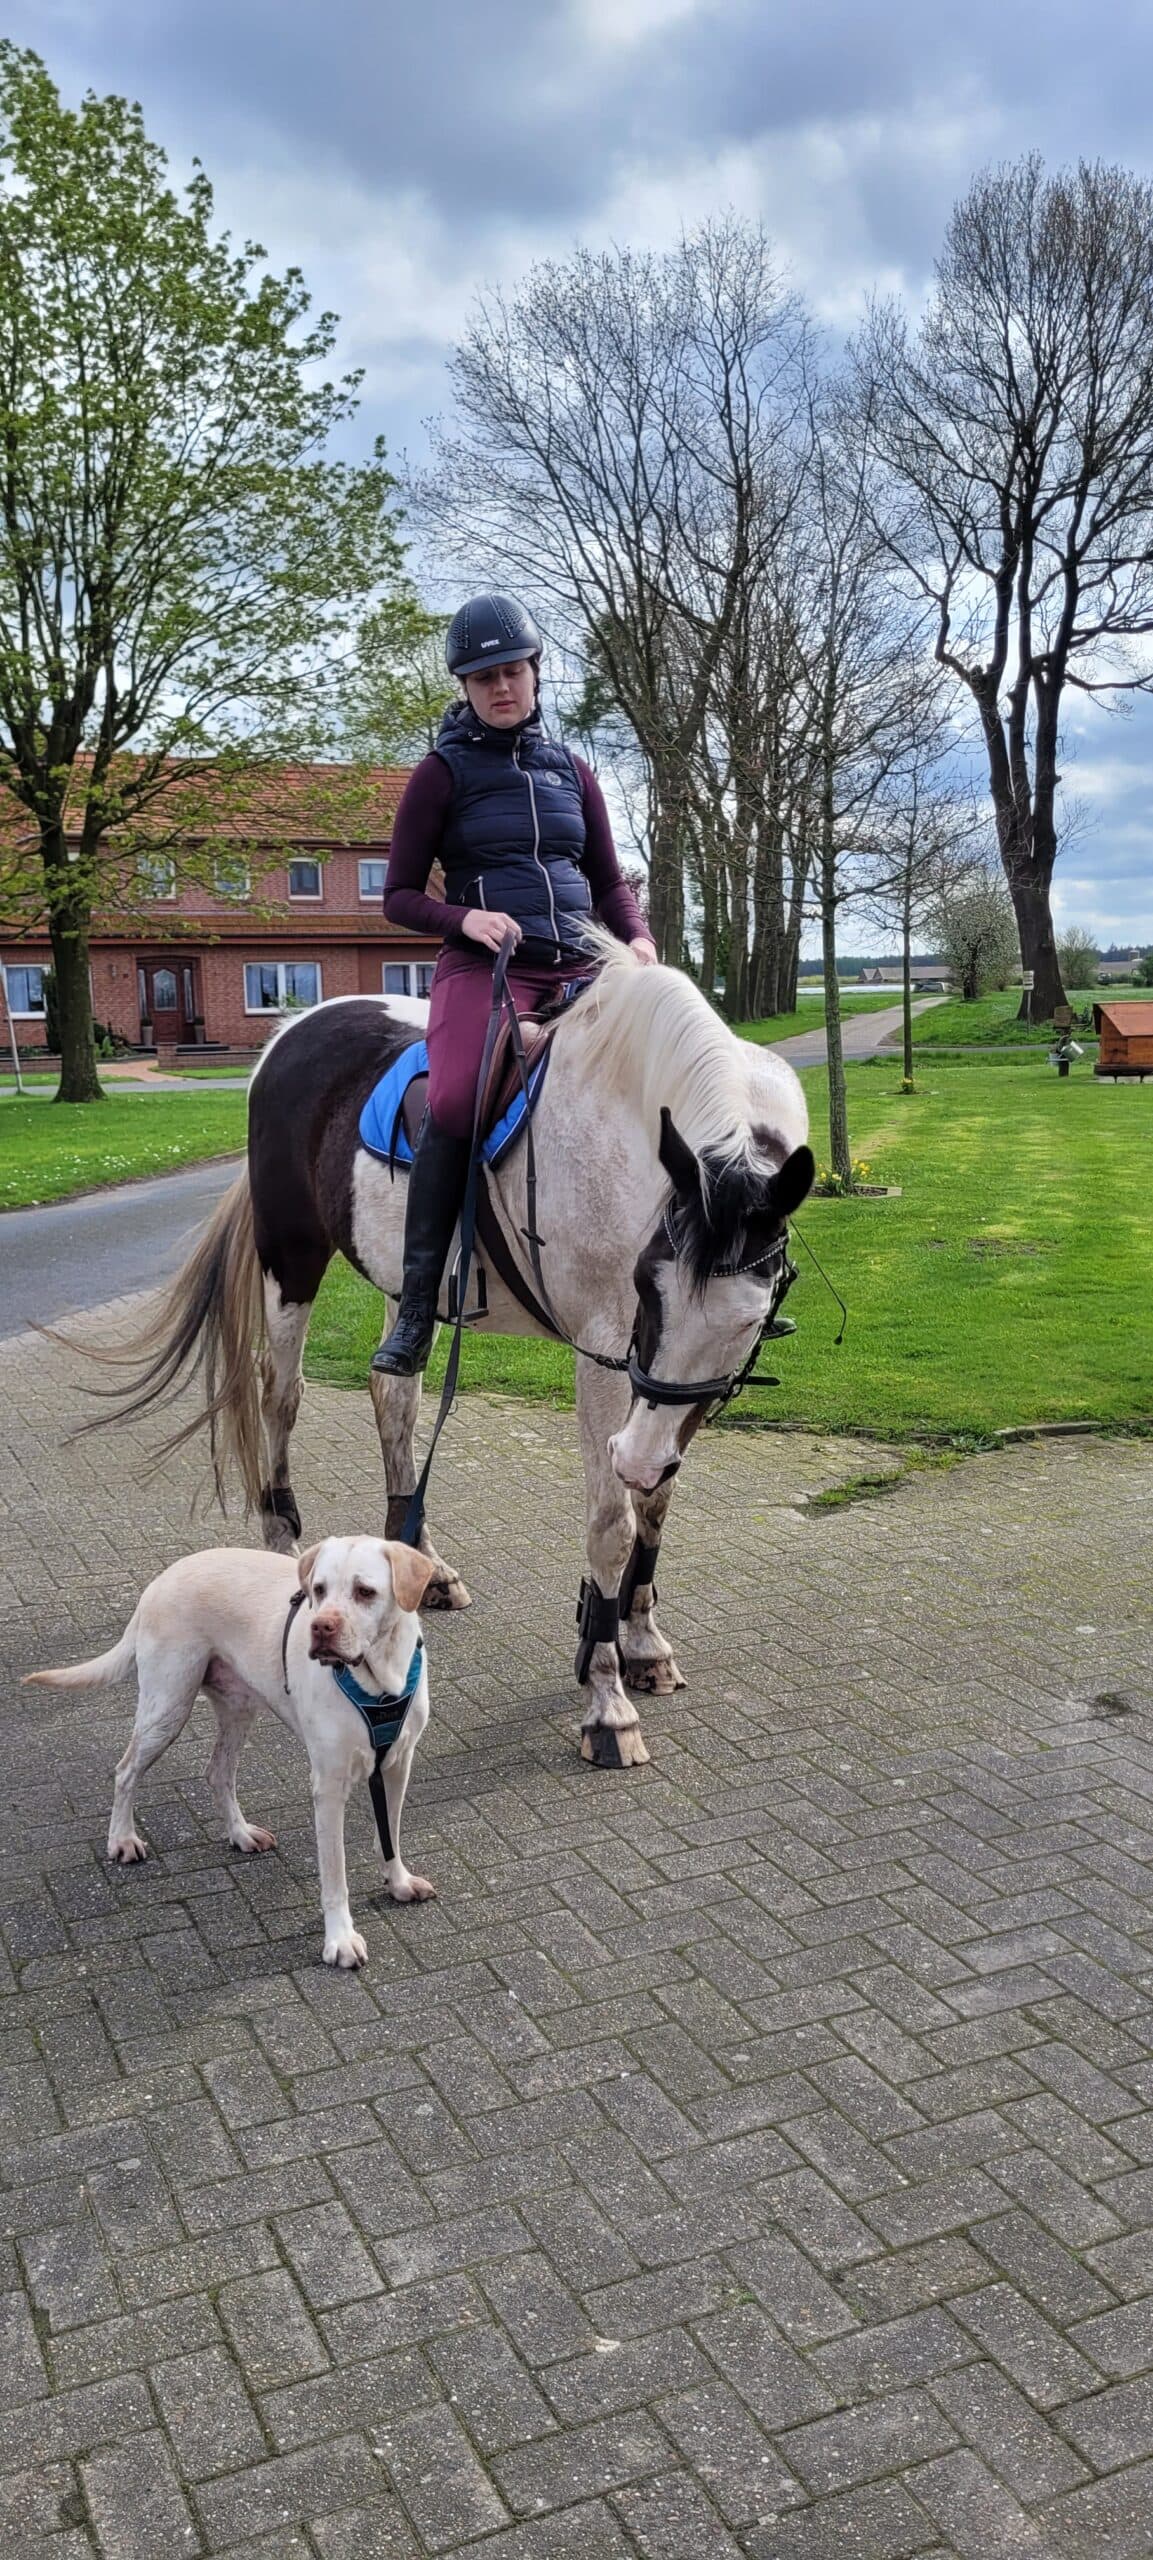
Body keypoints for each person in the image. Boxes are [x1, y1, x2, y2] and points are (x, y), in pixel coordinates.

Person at [372, 592, 658, 1376]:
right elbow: (397, 896)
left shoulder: (572, 771)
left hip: (585, 965)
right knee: (455, 1099)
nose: (501, 687)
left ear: (535, 672)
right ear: (464, 687)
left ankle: (707, 1267)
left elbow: (608, 881)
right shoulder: (439, 774)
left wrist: (636, 938)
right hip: (488, 969)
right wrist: (463, 919)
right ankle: (418, 1304)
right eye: (483, 677)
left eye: (513, 671)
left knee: (674, 1071)